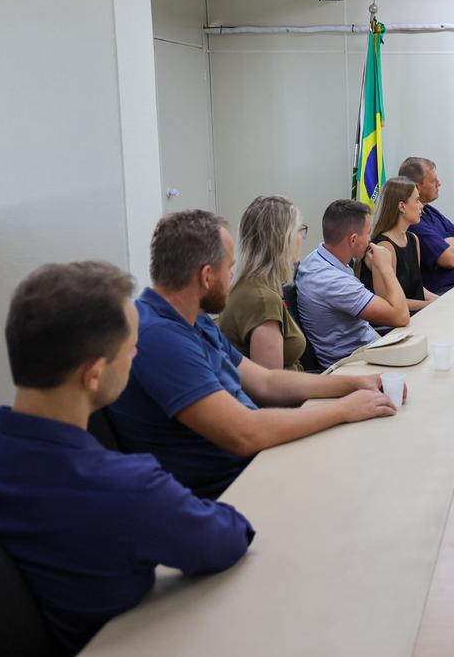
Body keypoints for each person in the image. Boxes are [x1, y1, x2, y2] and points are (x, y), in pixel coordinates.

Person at [0, 261, 255, 654]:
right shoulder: (131, 492)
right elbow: (228, 537)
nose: (136, 354)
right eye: (131, 348)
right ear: (94, 374)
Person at [111, 210, 398, 499]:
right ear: (207, 276)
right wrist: (345, 409)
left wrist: (356, 384)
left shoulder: (191, 319)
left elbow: (266, 381)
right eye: (229, 267)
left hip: (252, 464)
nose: (233, 276)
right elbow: (244, 433)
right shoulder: (159, 336)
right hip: (232, 488)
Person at [298, 198, 411, 368]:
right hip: (354, 366)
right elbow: (401, 316)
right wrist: (385, 267)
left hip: (367, 351)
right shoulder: (332, 281)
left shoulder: (317, 259)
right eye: (368, 233)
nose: (370, 239)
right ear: (353, 240)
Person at [219, 195, 309, 370]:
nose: (301, 237)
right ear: (282, 240)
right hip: (294, 396)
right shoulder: (262, 299)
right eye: (299, 230)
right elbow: (273, 389)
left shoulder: (250, 286)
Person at [358, 176, 438, 312]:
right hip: (393, 325)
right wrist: (431, 305)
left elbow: (416, 287)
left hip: (414, 315)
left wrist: (440, 300)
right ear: (402, 206)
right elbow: (387, 302)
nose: (421, 206)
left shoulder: (413, 239)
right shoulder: (384, 246)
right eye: (417, 200)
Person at [402, 156, 454, 293]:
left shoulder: (429, 211)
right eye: (433, 181)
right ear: (417, 187)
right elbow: (450, 259)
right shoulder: (413, 222)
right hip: (440, 293)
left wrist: (450, 241)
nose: (439, 184)